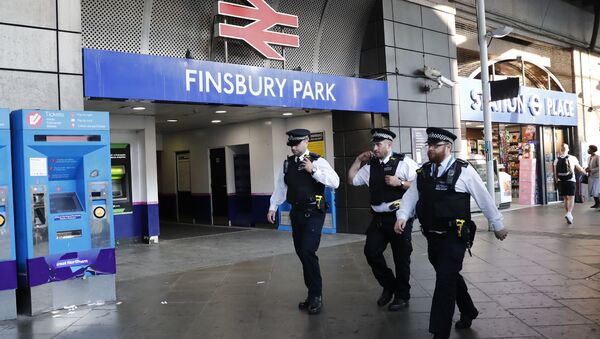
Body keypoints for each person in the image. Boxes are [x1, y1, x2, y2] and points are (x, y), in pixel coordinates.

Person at [395, 128, 508, 339]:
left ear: (448, 147)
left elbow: (483, 197)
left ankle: (439, 332)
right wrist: (402, 216)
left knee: (444, 282)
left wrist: (497, 224)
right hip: (432, 236)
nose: (430, 149)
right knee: (449, 276)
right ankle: (468, 310)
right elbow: (412, 196)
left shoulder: (464, 171)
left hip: (454, 237)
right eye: (429, 145)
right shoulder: (424, 171)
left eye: (435, 146)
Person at [267, 128, 339, 315]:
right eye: (291, 144)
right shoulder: (287, 164)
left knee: (308, 251)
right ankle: (311, 294)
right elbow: (281, 188)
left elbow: (335, 181)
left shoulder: (318, 161)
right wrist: (273, 207)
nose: (293, 147)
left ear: (306, 141)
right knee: (302, 253)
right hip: (296, 213)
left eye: (296, 144)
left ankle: (316, 295)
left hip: (314, 212)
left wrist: (313, 170)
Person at [347, 128, 418, 311]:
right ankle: (389, 285)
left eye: (378, 144)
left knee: (401, 258)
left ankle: (402, 295)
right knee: (371, 252)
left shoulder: (404, 163)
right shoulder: (371, 166)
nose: (375, 148)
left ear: (389, 145)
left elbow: (420, 186)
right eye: (374, 144)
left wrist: (400, 183)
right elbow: (352, 180)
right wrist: (357, 161)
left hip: (398, 217)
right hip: (378, 219)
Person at [554, 143, 586, 224]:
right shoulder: (572, 158)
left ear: (561, 150)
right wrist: (585, 172)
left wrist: (556, 182)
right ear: (567, 149)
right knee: (571, 198)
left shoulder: (557, 159)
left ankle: (568, 215)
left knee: (565, 198)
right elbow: (579, 169)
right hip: (571, 180)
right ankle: (569, 213)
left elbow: (555, 173)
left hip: (561, 181)